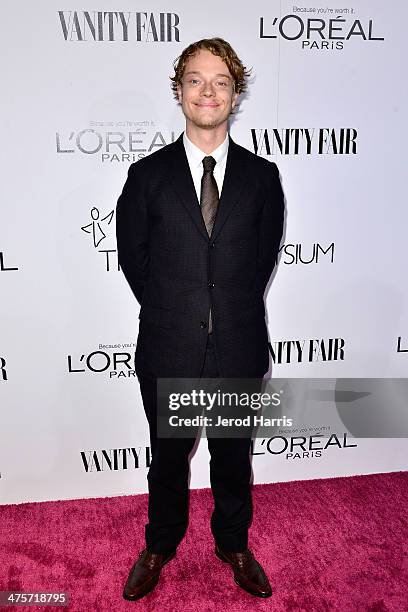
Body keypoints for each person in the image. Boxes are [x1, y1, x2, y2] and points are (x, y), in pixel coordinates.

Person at [116, 37, 284, 601]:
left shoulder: (263, 177)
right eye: (194, 80)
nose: (206, 91)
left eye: (220, 81)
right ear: (179, 90)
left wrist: (223, 313)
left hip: (237, 345)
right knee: (167, 456)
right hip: (169, 346)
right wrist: (179, 313)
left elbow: (261, 260)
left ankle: (233, 544)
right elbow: (133, 259)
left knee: (233, 457)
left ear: (235, 94)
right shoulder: (147, 175)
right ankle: (160, 542)